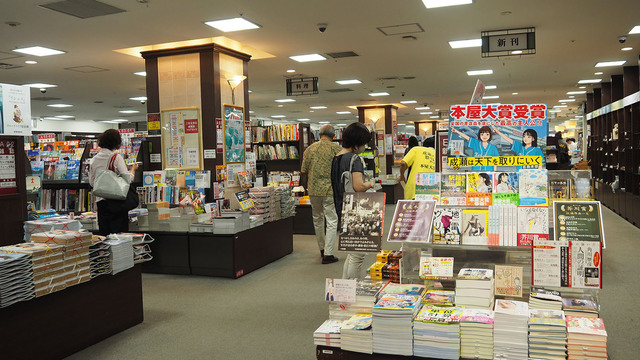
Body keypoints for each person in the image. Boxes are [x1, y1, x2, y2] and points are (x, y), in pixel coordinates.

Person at [331, 122, 375, 279]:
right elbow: (358, 186)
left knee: (352, 254)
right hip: (355, 210)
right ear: (357, 143)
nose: (365, 146)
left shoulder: (337, 157)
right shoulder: (354, 159)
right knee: (357, 256)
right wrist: (369, 183)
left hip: (341, 207)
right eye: (364, 143)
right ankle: (352, 291)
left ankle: (345, 289)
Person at [301, 124, 342, 264]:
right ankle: (329, 253)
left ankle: (322, 249)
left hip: (313, 190)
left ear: (319, 134)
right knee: (331, 220)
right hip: (329, 190)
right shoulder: (336, 149)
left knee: (317, 219)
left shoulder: (309, 149)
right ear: (334, 136)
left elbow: (304, 170)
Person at [89, 129, 139, 236]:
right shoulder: (116, 158)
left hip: (101, 202)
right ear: (117, 142)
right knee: (119, 236)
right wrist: (132, 170)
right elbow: (127, 180)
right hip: (116, 203)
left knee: (105, 235)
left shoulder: (93, 160)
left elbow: (92, 182)